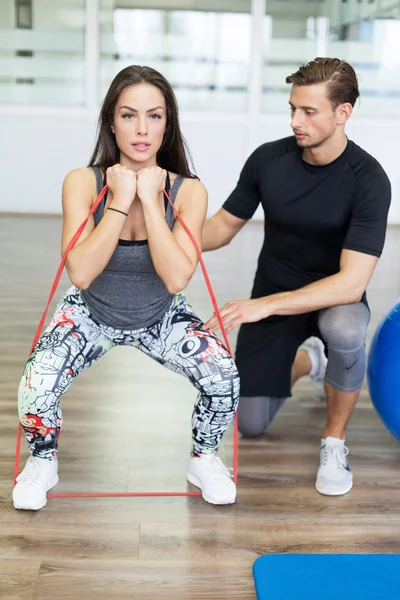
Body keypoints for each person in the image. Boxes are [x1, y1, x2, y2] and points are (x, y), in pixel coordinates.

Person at [13, 65, 239, 511]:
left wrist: (151, 201)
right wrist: (119, 199)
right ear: (110, 121)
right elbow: (80, 272)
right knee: (34, 390)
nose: (141, 129)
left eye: (154, 116)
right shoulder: (82, 181)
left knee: (225, 380)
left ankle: (203, 457)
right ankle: (42, 462)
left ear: (167, 124)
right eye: (128, 115)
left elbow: (175, 279)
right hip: (90, 311)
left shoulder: (189, 191)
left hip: (161, 314)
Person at [202, 57, 391, 496]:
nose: (295, 121)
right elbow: (221, 228)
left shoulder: (369, 180)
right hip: (275, 290)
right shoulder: (268, 160)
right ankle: (311, 361)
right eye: (292, 109)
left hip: (333, 297)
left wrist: (260, 306)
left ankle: (333, 441)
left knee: (344, 328)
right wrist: (162, 230)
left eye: (308, 112)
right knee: (249, 424)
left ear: (343, 113)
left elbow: (351, 284)